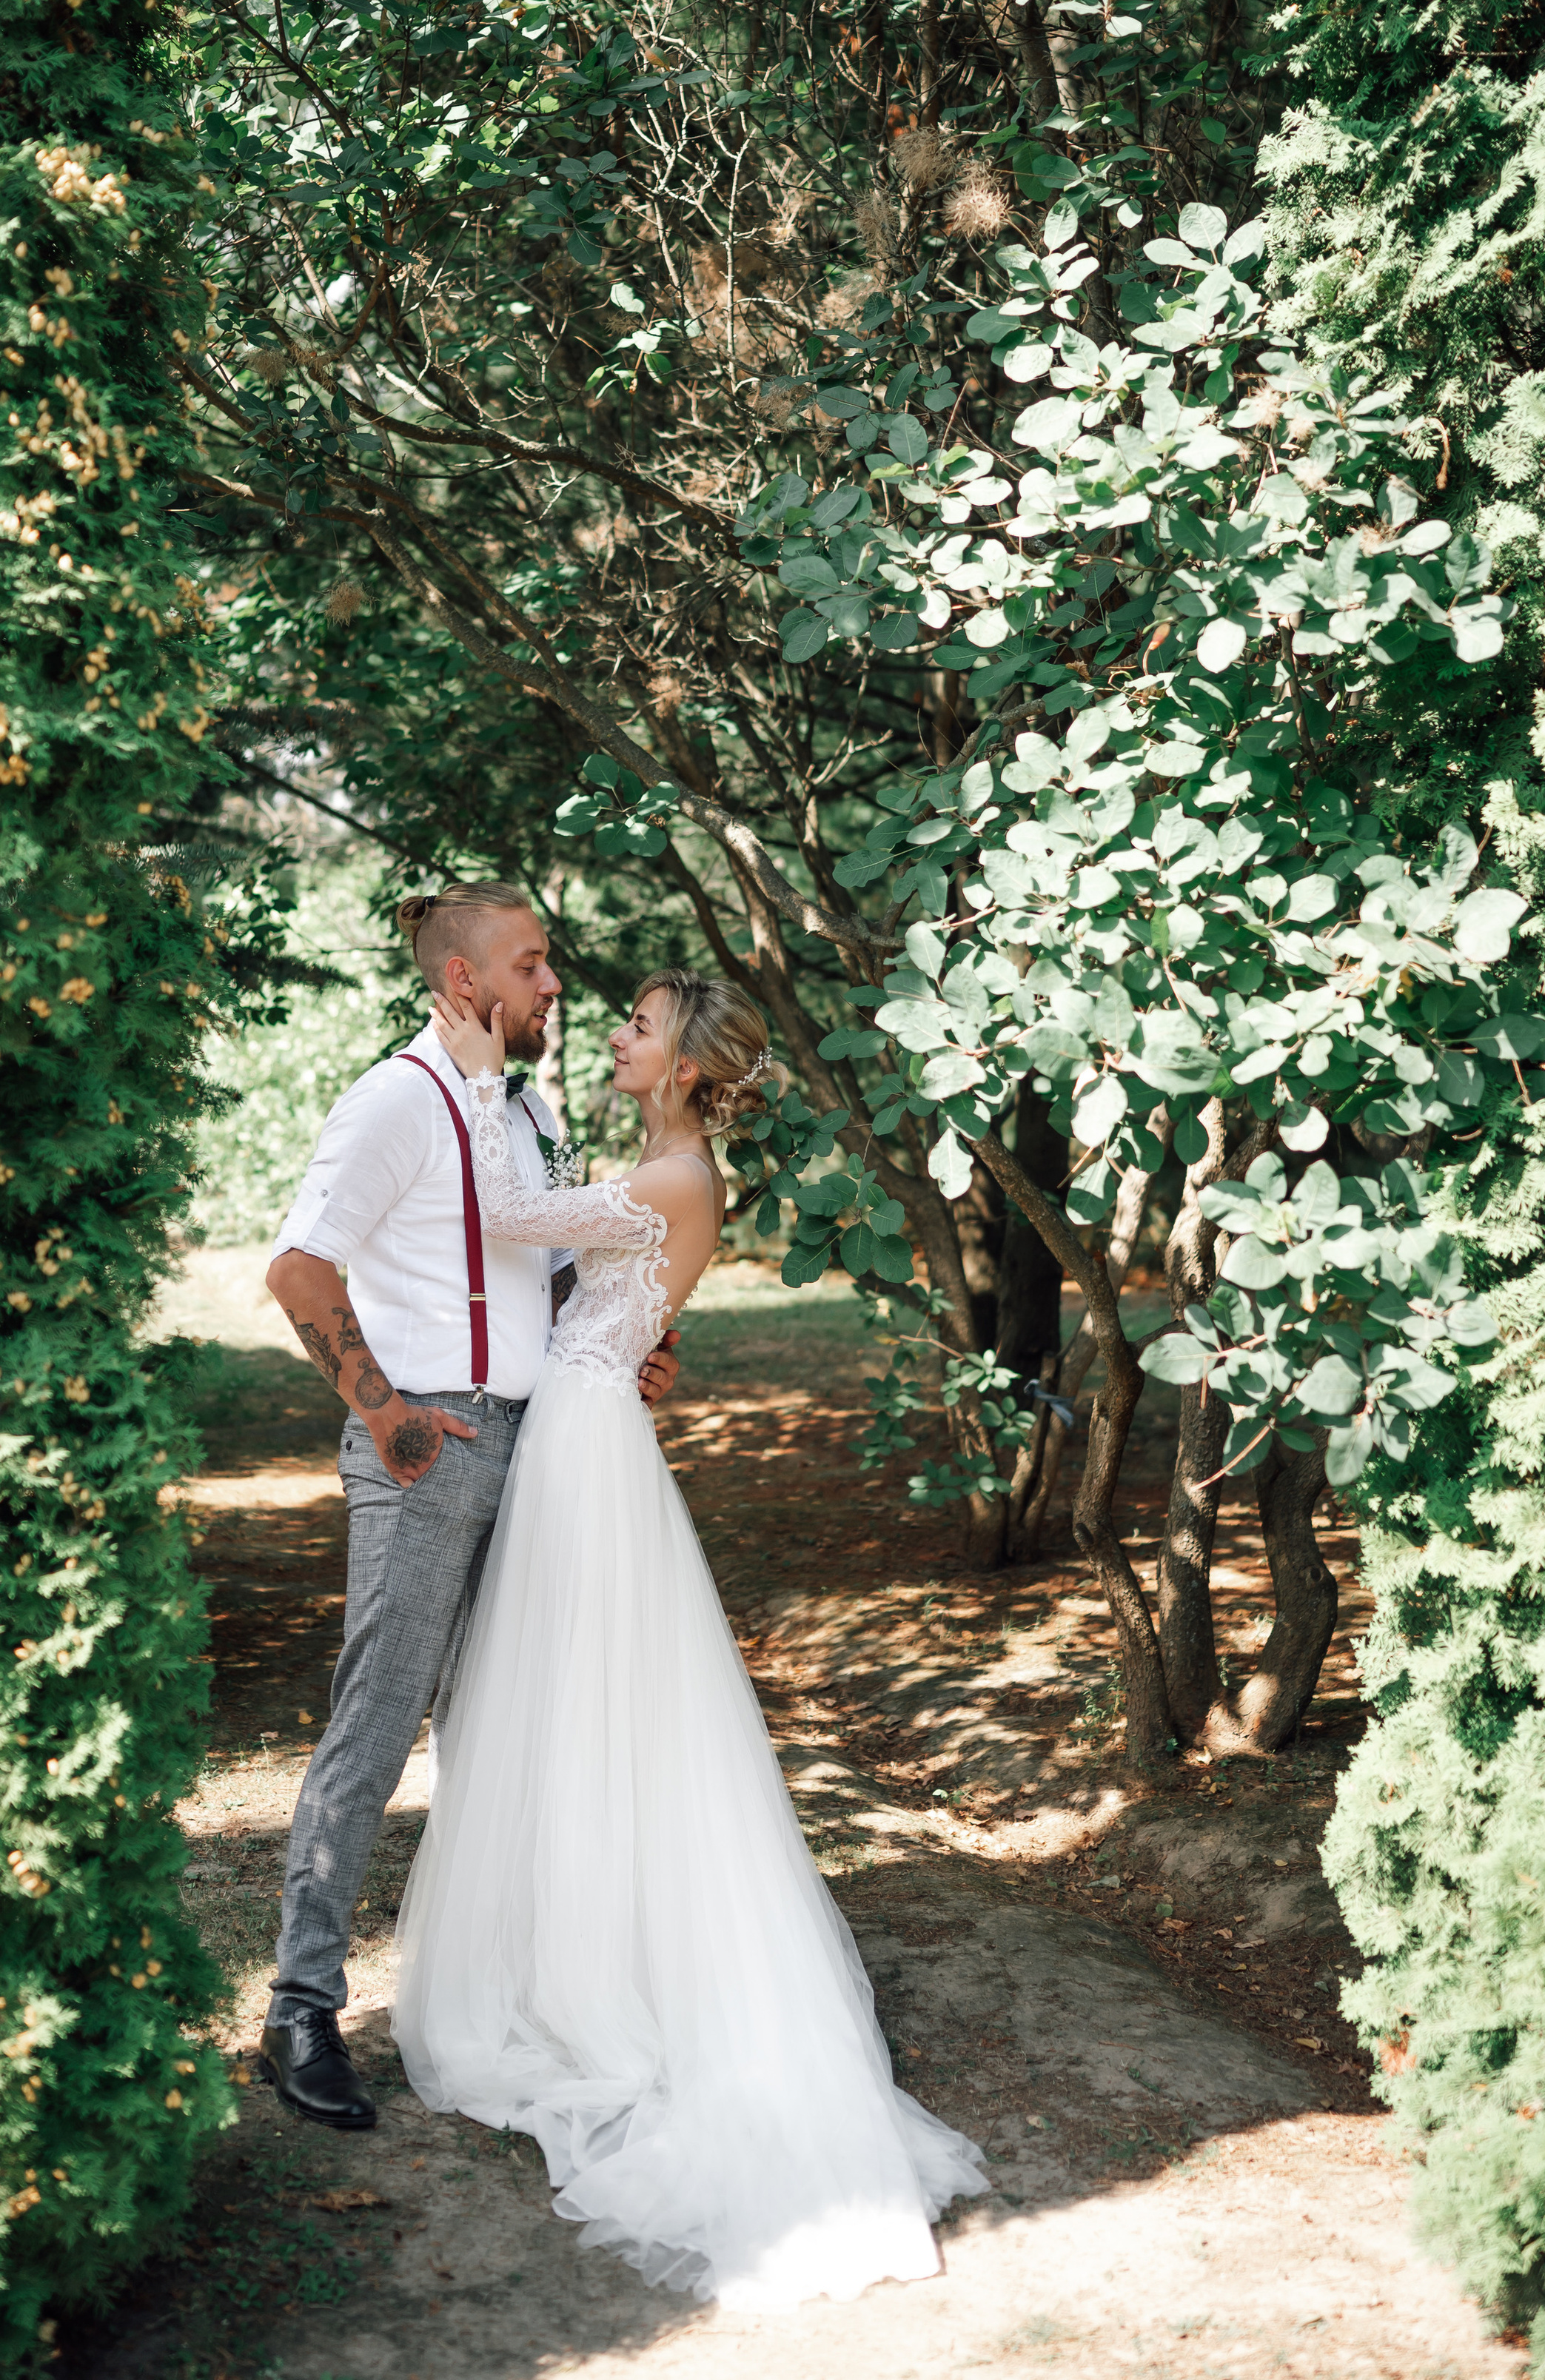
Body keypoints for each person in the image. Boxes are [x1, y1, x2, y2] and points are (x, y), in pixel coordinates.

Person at [392, 968, 988, 2308]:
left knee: (597, 1702)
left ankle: (611, 1984)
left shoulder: (677, 1178)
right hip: (586, 1431)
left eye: (640, 1026)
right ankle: (578, 1952)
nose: (616, 1030)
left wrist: (479, 1069)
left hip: (590, 1449)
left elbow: (502, 1218)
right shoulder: (659, 1167)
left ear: (683, 1067)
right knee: (575, 1703)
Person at [258, 882, 680, 2133]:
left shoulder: (530, 1109)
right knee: (377, 1728)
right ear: (465, 984)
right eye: (533, 965)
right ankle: (298, 2009)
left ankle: (507, 1994)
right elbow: (297, 1267)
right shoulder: (394, 1101)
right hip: (429, 1444)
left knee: (513, 1732)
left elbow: (547, 1266)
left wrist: (630, 1344)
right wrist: (381, 1408)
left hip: (544, 1449)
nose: (554, 986)